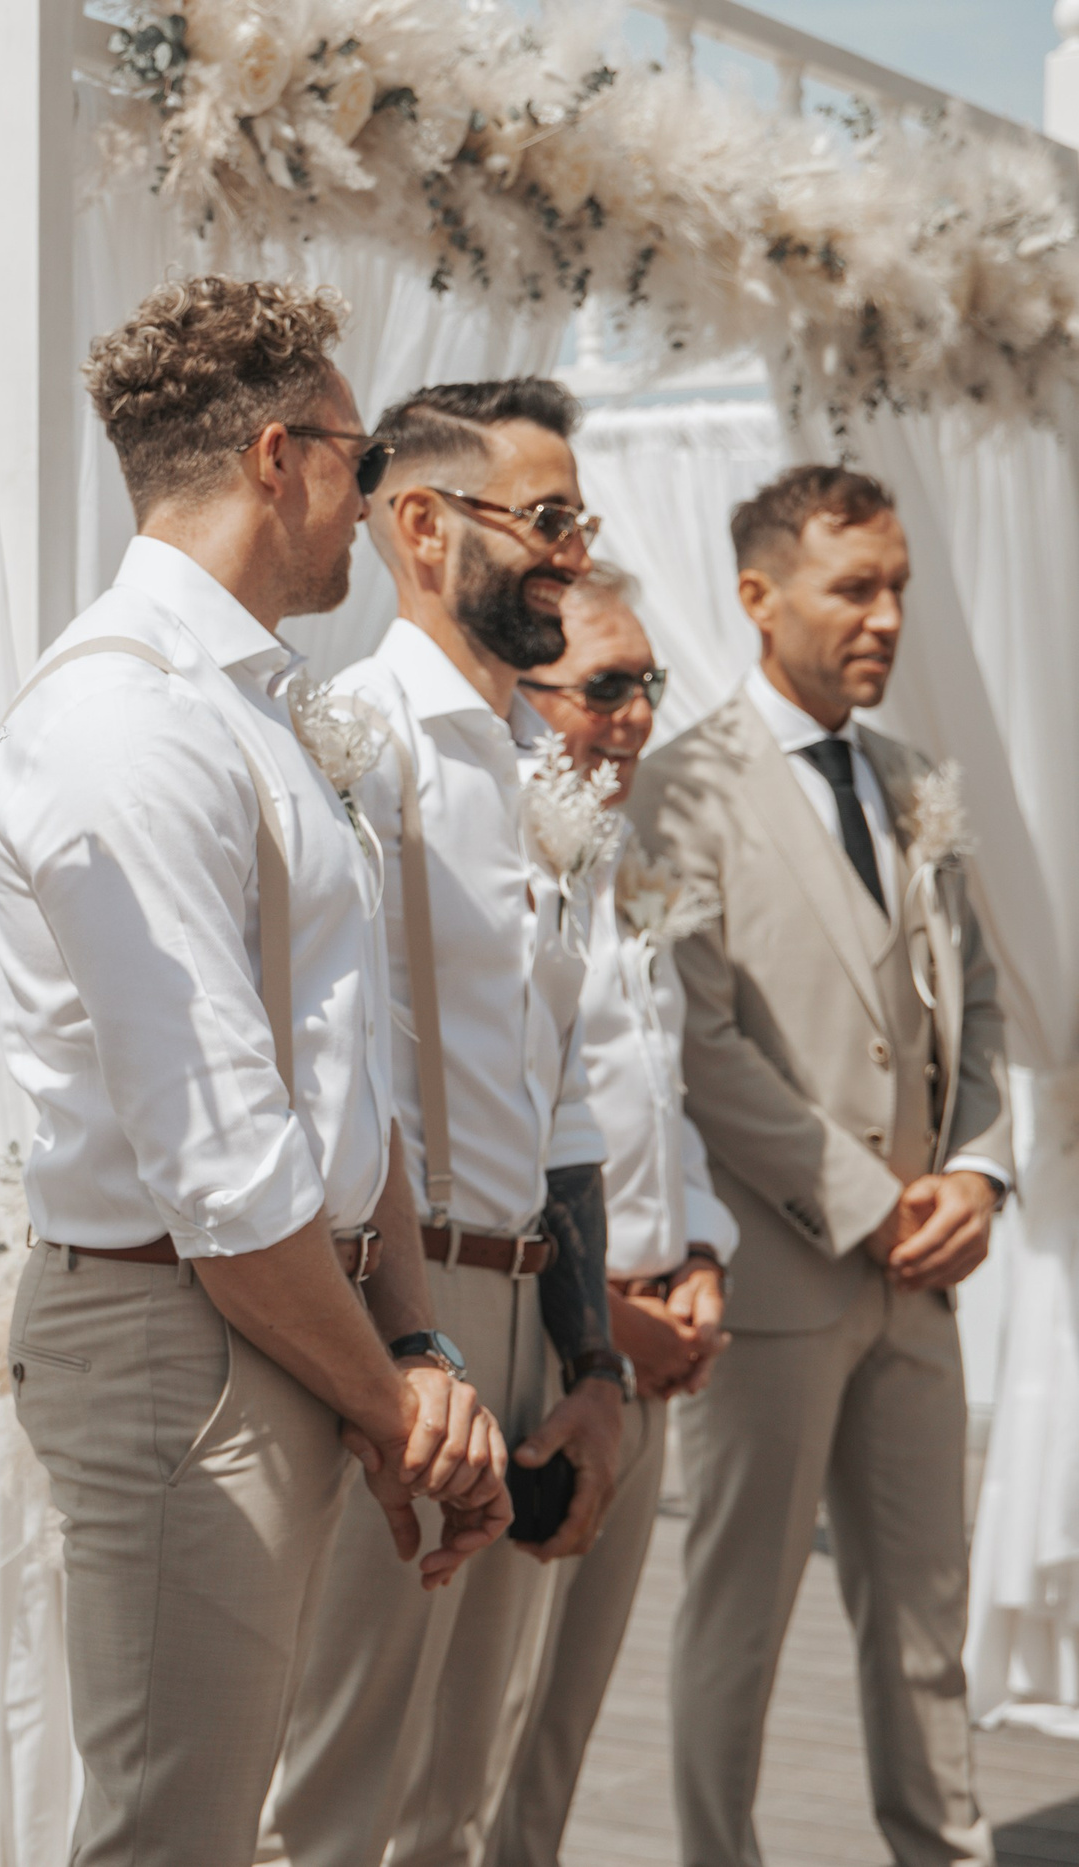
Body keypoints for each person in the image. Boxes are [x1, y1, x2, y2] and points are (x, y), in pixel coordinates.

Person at [0, 276, 510, 1867]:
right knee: (174, 1833)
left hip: (295, 1313)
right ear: (280, 459)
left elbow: (355, 1082)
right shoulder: (124, 722)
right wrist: (392, 1395)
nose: (372, 497)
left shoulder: (261, 707)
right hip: (178, 1332)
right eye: (361, 455)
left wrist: (416, 1338)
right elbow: (220, 1156)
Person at [263, 378, 626, 1867]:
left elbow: (569, 1093)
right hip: (399, 1306)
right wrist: (397, 1349)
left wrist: (594, 1360)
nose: (571, 560)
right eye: (546, 522)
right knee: (335, 1788)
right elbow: (322, 1075)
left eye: (576, 525)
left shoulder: (536, 767)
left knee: (457, 1798)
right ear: (419, 523)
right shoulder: (352, 741)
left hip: (531, 1298)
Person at [628, 466, 1011, 1867]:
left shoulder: (919, 785)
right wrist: (866, 1204)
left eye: (898, 583)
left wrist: (974, 1173)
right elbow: (701, 1040)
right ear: (757, 595)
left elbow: (975, 1007)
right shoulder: (678, 786)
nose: (888, 615)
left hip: (924, 1279)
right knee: (739, 1622)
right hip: (782, 1274)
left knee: (928, 1622)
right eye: (856, 584)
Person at [484, 565, 737, 1866]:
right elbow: (500, 1127)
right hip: (542, 1344)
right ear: (518, 688)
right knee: (482, 1733)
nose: (637, 714)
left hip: (640, 1341)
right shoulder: (490, 856)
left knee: (558, 1739)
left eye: (650, 683)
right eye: (606, 686)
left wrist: (697, 1251)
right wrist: (606, 1325)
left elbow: (660, 1092)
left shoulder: (620, 852)